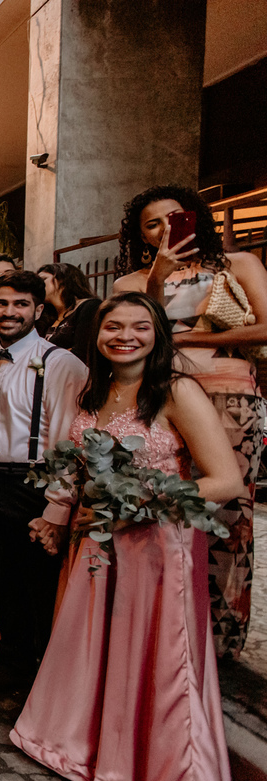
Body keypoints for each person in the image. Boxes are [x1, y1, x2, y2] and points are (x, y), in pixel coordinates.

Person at [12, 293, 241, 781]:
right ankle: (89, 751)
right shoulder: (95, 392)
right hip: (98, 542)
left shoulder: (176, 391)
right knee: (98, 646)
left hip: (160, 544)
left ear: (158, 334)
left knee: (156, 655)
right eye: (113, 326)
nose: (125, 336)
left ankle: (153, 773)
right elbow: (76, 465)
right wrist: (58, 517)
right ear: (97, 334)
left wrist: (136, 505)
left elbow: (226, 480)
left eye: (140, 326)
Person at [113, 185, 267, 659]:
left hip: (229, 395)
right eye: (152, 224)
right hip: (161, 398)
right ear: (141, 237)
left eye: (175, 217)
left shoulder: (239, 264)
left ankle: (219, 639)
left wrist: (186, 341)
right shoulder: (131, 282)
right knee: (164, 503)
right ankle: (165, 624)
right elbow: (142, 332)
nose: (165, 228)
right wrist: (157, 280)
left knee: (228, 512)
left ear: (195, 217)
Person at [0, 270, 88, 691]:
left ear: (38, 310)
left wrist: (58, 506)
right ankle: (12, 665)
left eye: (21, 304)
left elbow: (68, 440)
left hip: (34, 485)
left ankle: (44, 684)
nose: (9, 312)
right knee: (1, 578)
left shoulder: (60, 364)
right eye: (2, 303)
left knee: (38, 585)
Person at [38, 262, 100, 360]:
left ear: (62, 279)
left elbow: (83, 351)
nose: (37, 285)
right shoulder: (48, 316)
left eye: (43, 280)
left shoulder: (88, 306)